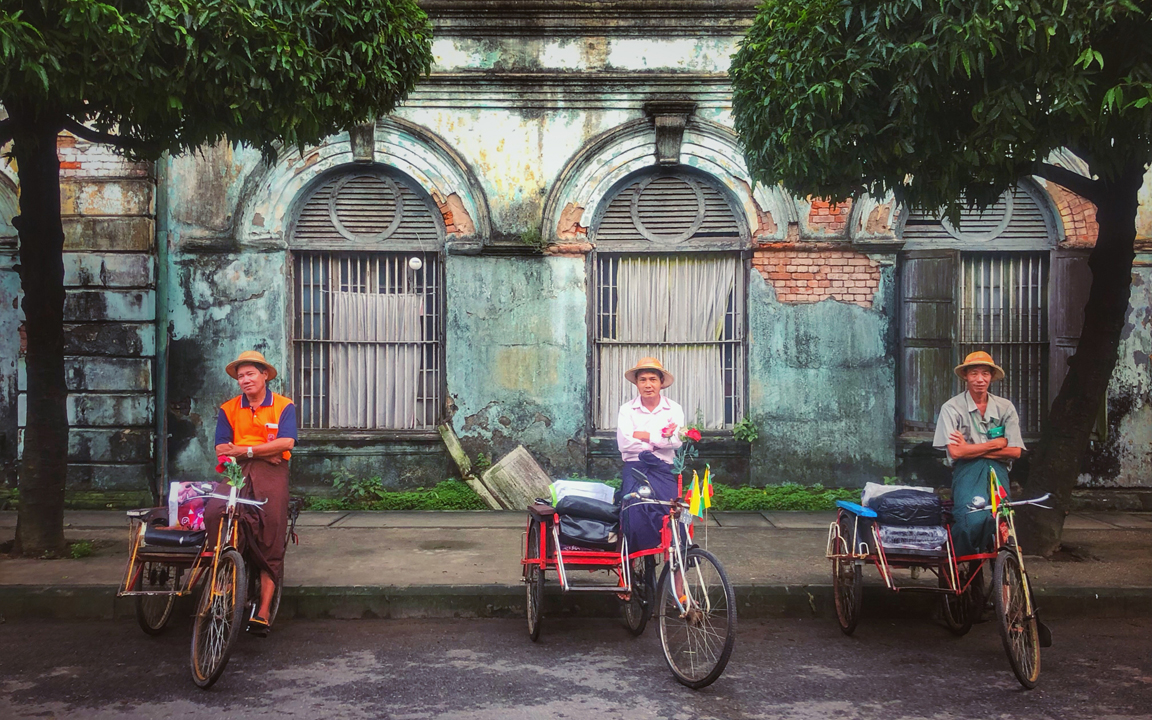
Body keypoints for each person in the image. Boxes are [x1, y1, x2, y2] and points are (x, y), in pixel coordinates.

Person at [207, 350, 297, 635]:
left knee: (270, 523)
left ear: (265, 376)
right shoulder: (229, 409)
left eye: (250, 374)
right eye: (240, 376)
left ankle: (264, 609)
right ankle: (223, 580)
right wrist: (262, 452)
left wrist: (246, 450)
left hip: (271, 471)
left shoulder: (284, 406)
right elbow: (222, 449)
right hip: (236, 470)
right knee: (217, 511)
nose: (245, 380)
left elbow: (287, 443)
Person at [933, 351, 1025, 557]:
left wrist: (970, 449)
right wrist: (996, 445)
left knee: (1001, 519)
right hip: (967, 472)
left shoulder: (1005, 408)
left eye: (985, 373)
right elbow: (956, 452)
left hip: (998, 472)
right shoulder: (951, 408)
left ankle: (1001, 567)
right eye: (974, 373)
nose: (979, 379)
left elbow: (1016, 451)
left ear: (991, 377)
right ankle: (960, 559)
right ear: (965, 376)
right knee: (970, 518)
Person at [617, 357, 685, 553]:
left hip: (664, 470)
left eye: (653, 379)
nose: (648, 385)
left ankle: (675, 563)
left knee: (673, 514)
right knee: (634, 513)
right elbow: (625, 444)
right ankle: (635, 559)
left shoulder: (673, 409)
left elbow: (676, 441)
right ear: (636, 384)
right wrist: (658, 442)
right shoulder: (627, 410)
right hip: (635, 469)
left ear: (661, 383)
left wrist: (646, 437)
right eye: (643, 380)